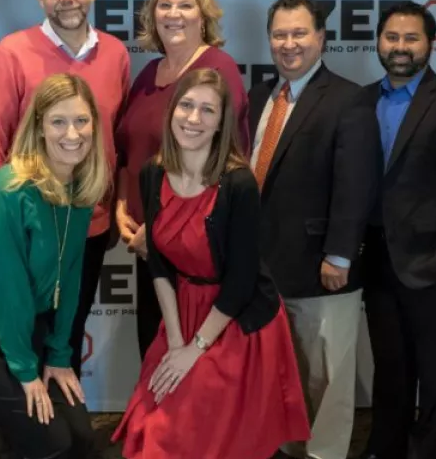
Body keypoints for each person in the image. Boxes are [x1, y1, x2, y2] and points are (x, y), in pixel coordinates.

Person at [111, 68, 310, 459]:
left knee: (197, 426)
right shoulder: (153, 173)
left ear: (222, 123)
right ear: (171, 111)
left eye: (207, 110)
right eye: (186, 105)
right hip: (181, 312)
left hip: (236, 318)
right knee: (152, 422)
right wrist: (174, 341)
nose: (193, 118)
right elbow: (159, 265)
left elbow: (241, 279)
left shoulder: (238, 183)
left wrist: (195, 349)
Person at [0, 73, 109, 459]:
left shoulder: (82, 185)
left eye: (81, 120)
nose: (72, 133)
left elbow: (71, 276)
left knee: (81, 438)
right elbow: (10, 287)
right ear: (40, 128)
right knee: (50, 441)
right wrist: (26, 371)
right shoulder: (10, 187)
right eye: (58, 122)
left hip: (26, 326)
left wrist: (60, 354)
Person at [0, 0, 130, 376]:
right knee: (24, 335)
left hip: (89, 225)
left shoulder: (116, 54)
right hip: (27, 228)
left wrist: (114, 210)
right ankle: (28, 437)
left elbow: (115, 143)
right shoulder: (12, 52)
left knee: (69, 334)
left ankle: (62, 433)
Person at [248, 0, 379, 459]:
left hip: (323, 269)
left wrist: (339, 255)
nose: (289, 44)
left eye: (299, 33)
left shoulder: (349, 100)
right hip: (265, 267)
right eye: (280, 34)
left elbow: (356, 184)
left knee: (327, 378)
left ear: (321, 38)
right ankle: (288, 448)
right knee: (283, 372)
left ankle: (324, 453)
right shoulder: (261, 95)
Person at [356, 1, 436, 459]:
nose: (400, 47)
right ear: (378, 42)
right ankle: (386, 447)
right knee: (390, 365)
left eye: (411, 38)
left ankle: (428, 451)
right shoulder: (361, 100)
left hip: (433, 261)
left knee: (434, 369)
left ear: (430, 43)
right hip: (376, 259)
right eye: (392, 37)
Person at [115, 0, 250, 358]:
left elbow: (217, 165)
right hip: (144, 242)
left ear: (203, 15)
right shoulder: (148, 73)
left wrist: (157, 232)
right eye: (164, 5)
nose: (173, 14)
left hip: (192, 246)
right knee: (154, 350)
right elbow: (131, 149)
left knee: (191, 359)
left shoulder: (217, 69)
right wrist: (124, 205)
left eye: (185, 5)